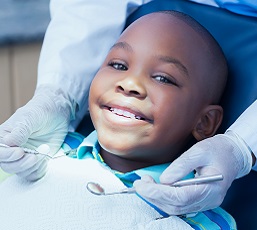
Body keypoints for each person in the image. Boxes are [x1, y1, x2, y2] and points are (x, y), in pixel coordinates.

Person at [0, 0, 256, 215]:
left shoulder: (205, 227)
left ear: (205, 122)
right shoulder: (36, 162)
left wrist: (242, 146)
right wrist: (59, 94)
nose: (130, 83)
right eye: (118, 66)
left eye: (163, 78)